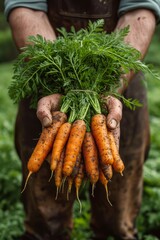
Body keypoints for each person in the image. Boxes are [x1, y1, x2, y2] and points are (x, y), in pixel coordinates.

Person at [4, 1, 160, 240]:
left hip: (118, 81)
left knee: (119, 213)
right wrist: (57, 79)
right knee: (44, 217)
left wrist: (111, 85)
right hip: (47, 89)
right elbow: (27, 7)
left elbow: (139, 11)